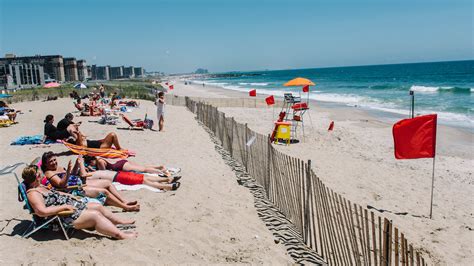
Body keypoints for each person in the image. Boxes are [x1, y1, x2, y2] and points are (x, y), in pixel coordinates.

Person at [21, 165, 137, 240]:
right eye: (39, 174)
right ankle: (120, 235)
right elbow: (41, 212)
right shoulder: (33, 193)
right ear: (36, 176)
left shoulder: (40, 186)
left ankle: (119, 223)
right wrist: (63, 207)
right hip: (62, 217)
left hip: (70, 207)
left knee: (97, 206)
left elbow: (57, 193)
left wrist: (70, 196)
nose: (41, 175)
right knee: (95, 216)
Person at [41, 152, 140, 212]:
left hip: (78, 182)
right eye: (51, 161)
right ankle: (125, 207)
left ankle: (124, 201)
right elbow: (61, 184)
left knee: (107, 183)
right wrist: (67, 172)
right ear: (46, 164)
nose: (54, 162)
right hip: (73, 190)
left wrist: (77, 164)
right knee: (104, 192)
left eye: (54, 160)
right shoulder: (49, 173)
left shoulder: (58, 167)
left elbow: (73, 174)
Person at [84, 156, 181, 179]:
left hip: (121, 166)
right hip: (121, 162)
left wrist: (93, 170)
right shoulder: (99, 159)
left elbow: (104, 172)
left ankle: (165, 173)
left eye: (90, 163)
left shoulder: (99, 161)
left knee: (143, 169)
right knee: (142, 167)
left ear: (92, 161)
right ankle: (160, 167)